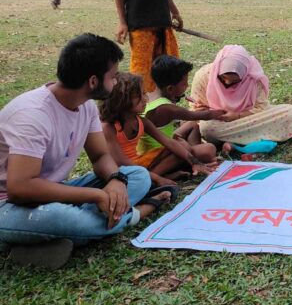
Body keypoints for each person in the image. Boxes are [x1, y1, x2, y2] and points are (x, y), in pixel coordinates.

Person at [0, 34, 173, 269]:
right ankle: (137, 213)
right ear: (93, 81)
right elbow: (20, 188)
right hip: (8, 205)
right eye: (112, 77)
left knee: (137, 175)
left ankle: (61, 235)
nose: (114, 83)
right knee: (59, 217)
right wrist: (96, 196)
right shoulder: (33, 115)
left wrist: (115, 180)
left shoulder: (86, 107)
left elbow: (101, 156)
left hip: (50, 192)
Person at [100, 73, 215, 188]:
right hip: (123, 170)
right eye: (139, 96)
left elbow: (168, 142)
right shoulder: (109, 127)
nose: (145, 99)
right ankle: (155, 178)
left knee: (181, 145)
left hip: (141, 163)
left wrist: (195, 163)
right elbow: (121, 162)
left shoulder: (141, 121)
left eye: (144, 94)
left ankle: (155, 177)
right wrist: (157, 178)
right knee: (138, 178)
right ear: (122, 100)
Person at [190, 45, 292, 152]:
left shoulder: (254, 77)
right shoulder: (205, 75)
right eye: (223, 78)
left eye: (235, 81)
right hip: (220, 122)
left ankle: (233, 143)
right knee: (207, 128)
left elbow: (260, 106)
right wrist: (201, 111)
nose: (227, 82)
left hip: (249, 117)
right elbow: (195, 108)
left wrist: (237, 115)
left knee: (291, 112)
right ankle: (250, 140)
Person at [139, 55, 222, 170]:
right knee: (210, 149)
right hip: (158, 154)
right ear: (170, 89)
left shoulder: (150, 95)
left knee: (192, 125)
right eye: (184, 83)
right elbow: (202, 115)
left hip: (166, 143)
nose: (187, 86)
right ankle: (191, 157)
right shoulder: (166, 108)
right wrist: (224, 111)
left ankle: (192, 151)